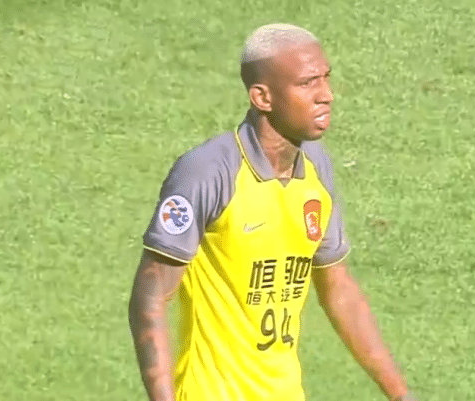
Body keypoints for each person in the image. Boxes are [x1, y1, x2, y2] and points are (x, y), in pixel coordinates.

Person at [128, 23, 419, 401]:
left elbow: (339, 290)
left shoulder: (315, 166)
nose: (326, 95)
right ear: (262, 97)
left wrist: (400, 394)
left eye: (326, 78)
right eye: (307, 83)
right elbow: (150, 296)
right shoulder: (209, 172)